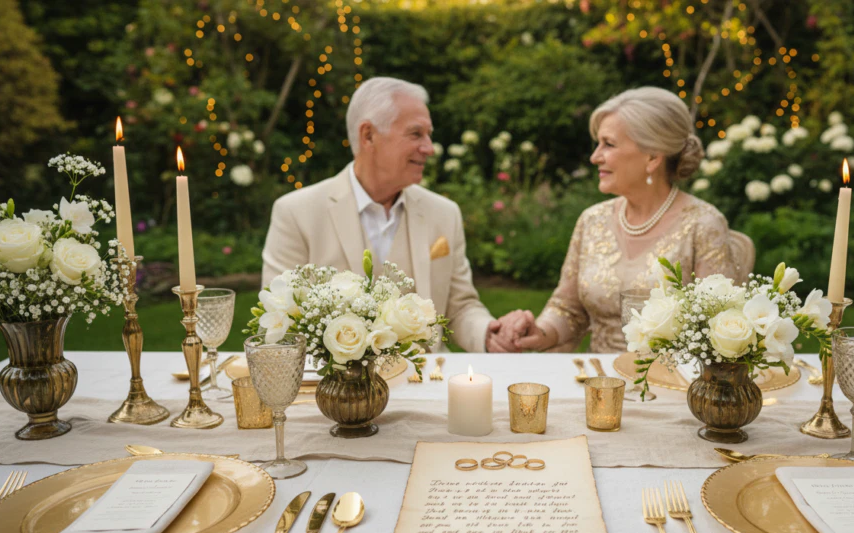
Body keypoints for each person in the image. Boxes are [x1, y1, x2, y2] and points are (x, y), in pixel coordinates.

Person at [261, 77, 514, 352]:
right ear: (368, 135)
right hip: (333, 391)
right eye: (416, 134)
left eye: (429, 135)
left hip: (427, 383)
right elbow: (279, 321)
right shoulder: (296, 213)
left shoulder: (445, 214)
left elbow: (461, 306)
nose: (429, 148)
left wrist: (489, 335)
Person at [494, 87, 747, 353]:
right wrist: (540, 332)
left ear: (652, 157)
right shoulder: (592, 221)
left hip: (672, 386)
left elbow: (719, 333)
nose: (595, 157)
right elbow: (568, 310)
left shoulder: (703, 225)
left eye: (609, 144)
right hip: (597, 384)